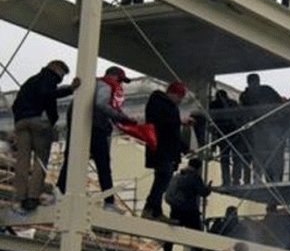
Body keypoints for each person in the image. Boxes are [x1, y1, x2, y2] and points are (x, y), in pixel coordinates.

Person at [57, 66, 139, 210]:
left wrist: (73, 126)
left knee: (70, 161)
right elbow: (101, 104)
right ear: (114, 77)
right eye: (120, 80)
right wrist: (123, 118)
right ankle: (109, 201)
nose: (120, 85)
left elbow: (72, 109)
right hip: (96, 129)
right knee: (103, 166)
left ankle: (58, 193)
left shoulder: (88, 85)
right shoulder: (106, 86)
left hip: (78, 127)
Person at [11, 60, 80, 212]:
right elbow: (47, 96)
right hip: (39, 122)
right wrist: (70, 89)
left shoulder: (30, 81)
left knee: (22, 160)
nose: (61, 78)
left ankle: (19, 197)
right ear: (56, 69)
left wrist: (19, 120)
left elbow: (15, 105)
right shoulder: (48, 79)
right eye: (62, 74)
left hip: (21, 122)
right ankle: (32, 198)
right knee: (40, 160)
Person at [143, 81, 189, 221]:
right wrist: (180, 121)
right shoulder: (158, 102)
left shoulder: (169, 107)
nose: (180, 101)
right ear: (173, 94)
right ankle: (150, 208)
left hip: (166, 149)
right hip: (160, 148)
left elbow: (173, 133)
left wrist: (184, 148)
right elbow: (161, 124)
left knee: (163, 179)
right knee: (163, 177)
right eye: (179, 97)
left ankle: (155, 211)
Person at [240, 74, 285, 183]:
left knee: (274, 152)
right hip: (258, 127)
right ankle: (259, 177)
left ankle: (275, 178)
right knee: (259, 153)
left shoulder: (266, 90)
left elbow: (279, 104)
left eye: (256, 82)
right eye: (253, 83)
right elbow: (245, 110)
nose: (255, 85)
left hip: (271, 126)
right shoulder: (246, 95)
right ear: (249, 83)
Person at [164, 158, 212, 251]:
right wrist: (209, 188)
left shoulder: (178, 175)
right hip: (190, 210)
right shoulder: (195, 177)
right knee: (196, 233)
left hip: (176, 209)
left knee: (172, 232)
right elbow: (203, 192)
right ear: (198, 167)